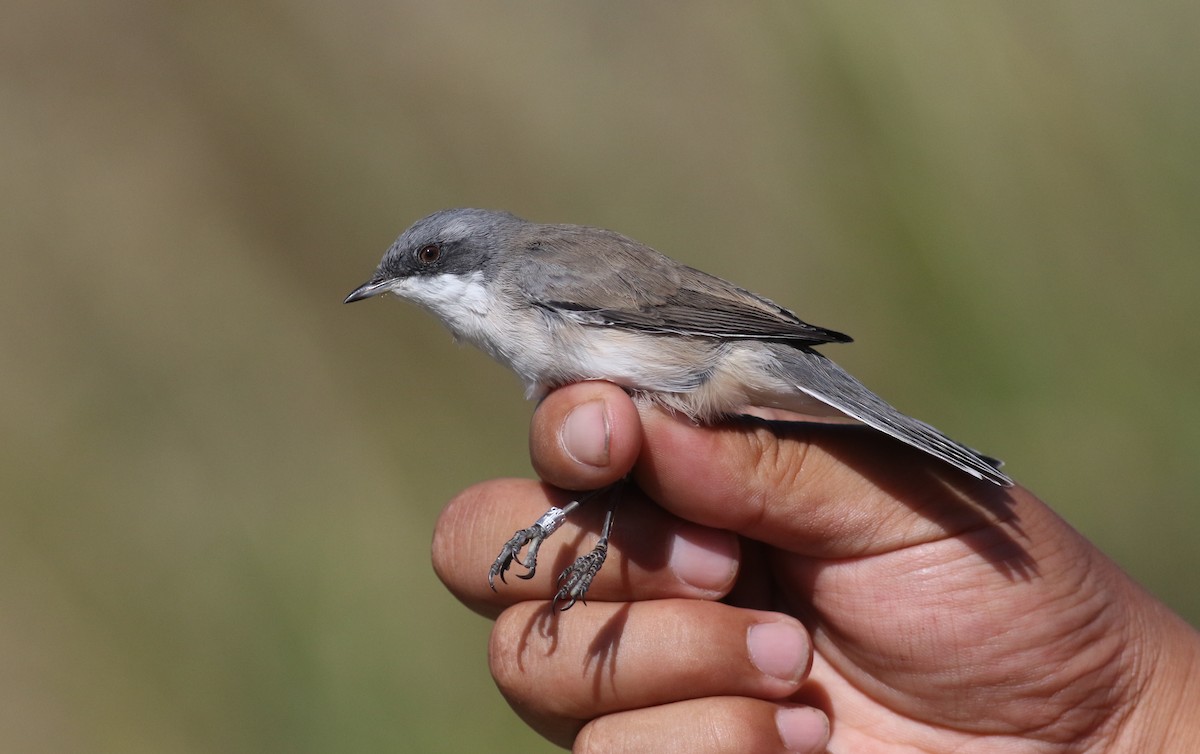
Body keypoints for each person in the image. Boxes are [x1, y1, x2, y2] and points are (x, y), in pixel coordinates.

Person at [432, 381, 1200, 753]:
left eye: (426, 266)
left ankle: (581, 533)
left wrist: (1128, 719)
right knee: (618, 473)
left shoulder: (538, 278)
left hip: (709, 355)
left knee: (636, 456)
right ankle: (579, 532)